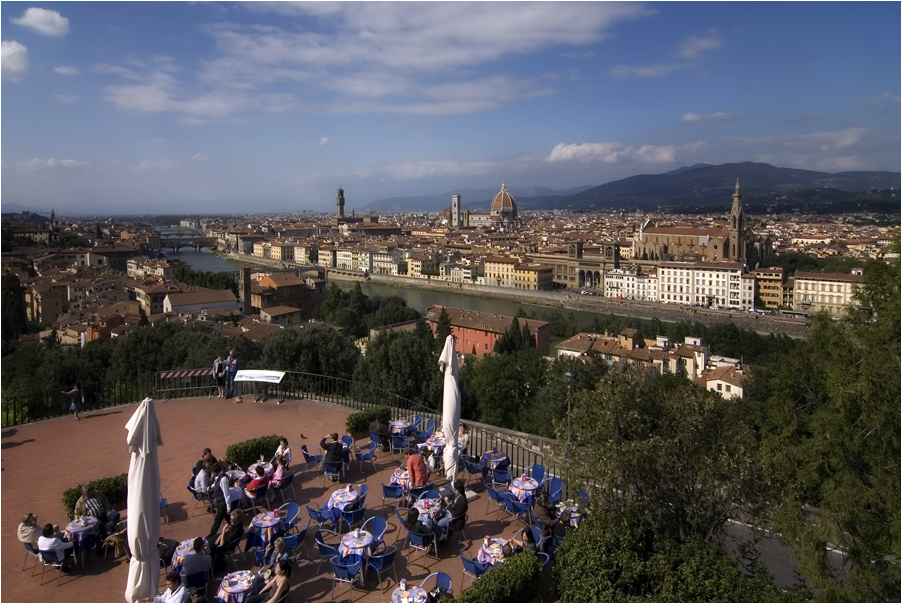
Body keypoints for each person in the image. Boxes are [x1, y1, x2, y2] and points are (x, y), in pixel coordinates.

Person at [208, 463, 232, 535]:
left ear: (217, 471)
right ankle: (235, 528)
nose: (212, 474)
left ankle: (211, 535)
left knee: (217, 521)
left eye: (213, 472)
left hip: (222, 503)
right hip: (219, 501)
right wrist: (211, 487)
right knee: (228, 518)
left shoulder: (223, 480)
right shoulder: (218, 477)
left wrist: (228, 507)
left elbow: (226, 494)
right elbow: (216, 483)